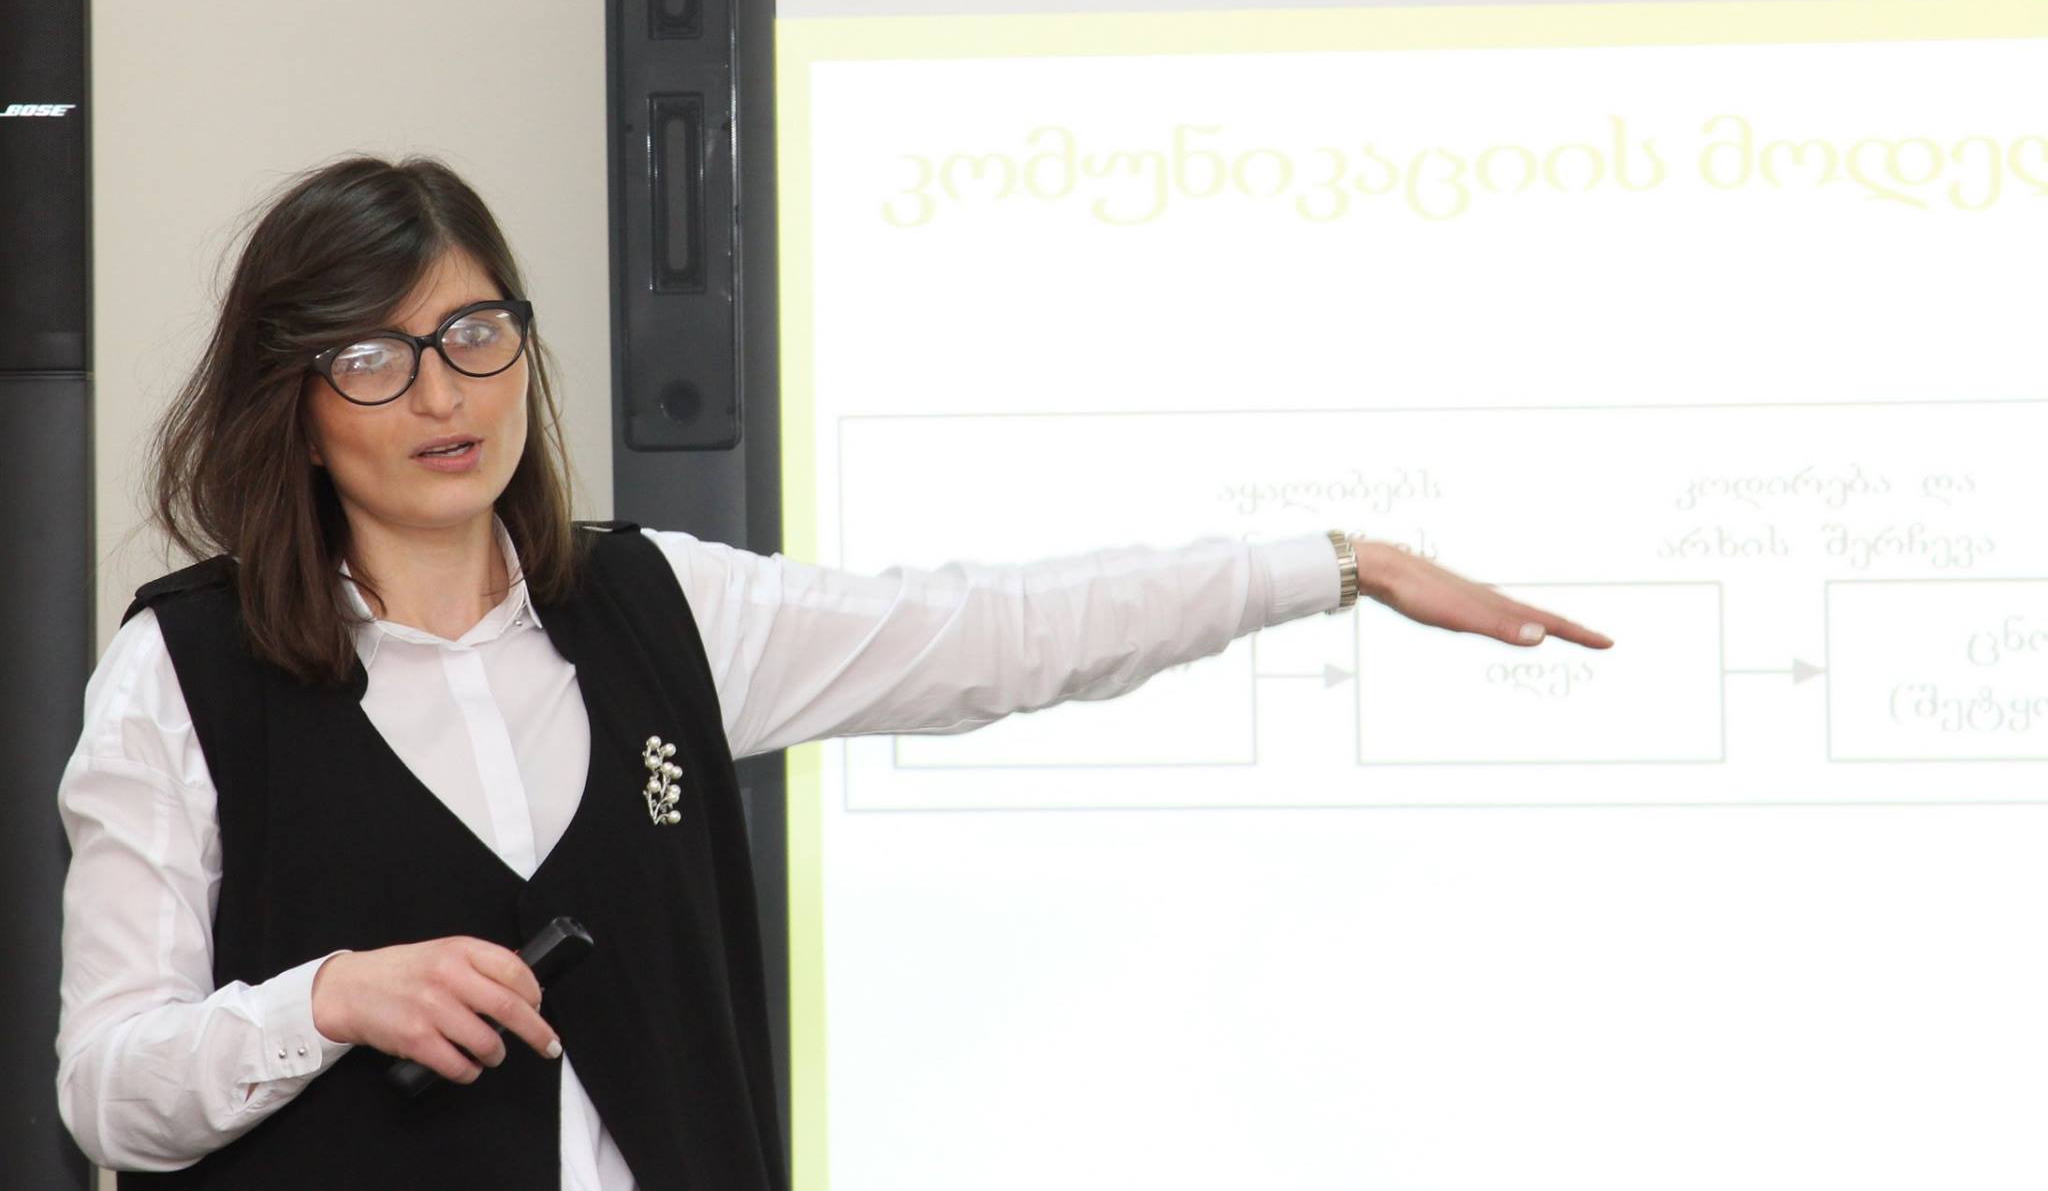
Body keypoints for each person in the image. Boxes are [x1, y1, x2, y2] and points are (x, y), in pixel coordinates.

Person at [55, 155, 1613, 1190]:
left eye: (475, 333)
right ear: (293, 400)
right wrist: (327, 999)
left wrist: (1330, 563)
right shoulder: (181, 676)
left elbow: (994, 630)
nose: (442, 392)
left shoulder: (663, 610)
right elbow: (108, 1086)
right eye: (373, 357)